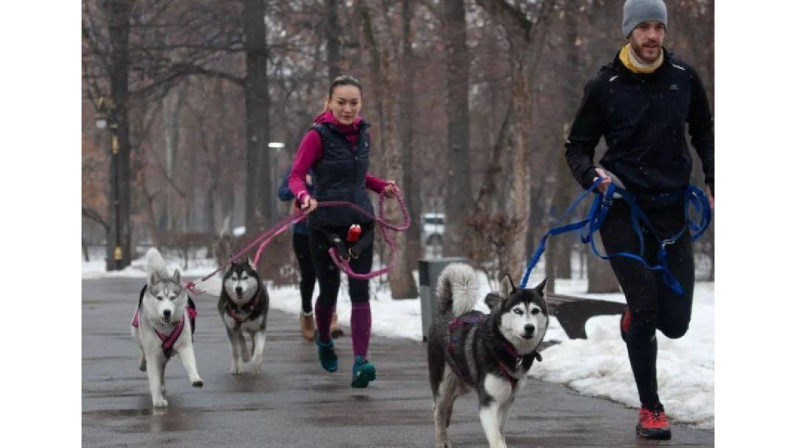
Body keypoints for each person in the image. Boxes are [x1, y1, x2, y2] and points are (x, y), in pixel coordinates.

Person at [564, 0, 713, 440]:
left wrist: (714, 176)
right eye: (644, 27)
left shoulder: (684, 78)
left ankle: (633, 322)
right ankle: (651, 409)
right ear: (629, 31)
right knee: (646, 304)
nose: (652, 36)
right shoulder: (605, 84)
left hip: (672, 212)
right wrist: (592, 177)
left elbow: (705, 129)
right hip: (622, 209)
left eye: (658, 27)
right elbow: (577, 146)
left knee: (676, 323)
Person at [288, 75, 398, 389]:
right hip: (324, 225)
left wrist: (381, 186)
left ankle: (361, 361)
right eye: (341, 102)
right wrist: (304, 197)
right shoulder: (316, 135)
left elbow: (358, 176)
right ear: (329, 102)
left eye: (354, 103)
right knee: (329, 291)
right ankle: (323, 339)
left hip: (360, 225)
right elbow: (297, 175)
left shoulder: (364, 134)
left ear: (360, 104)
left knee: (360, 292)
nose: (348, 109)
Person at [278, 170, 344, 342]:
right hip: (303, 233)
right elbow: (282, 193)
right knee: (309, 276)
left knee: (330, 275)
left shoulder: (330, 164)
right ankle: (307, 314)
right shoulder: (298, 169)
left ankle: (331, 315)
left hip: (327, 230)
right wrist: (300, 187)